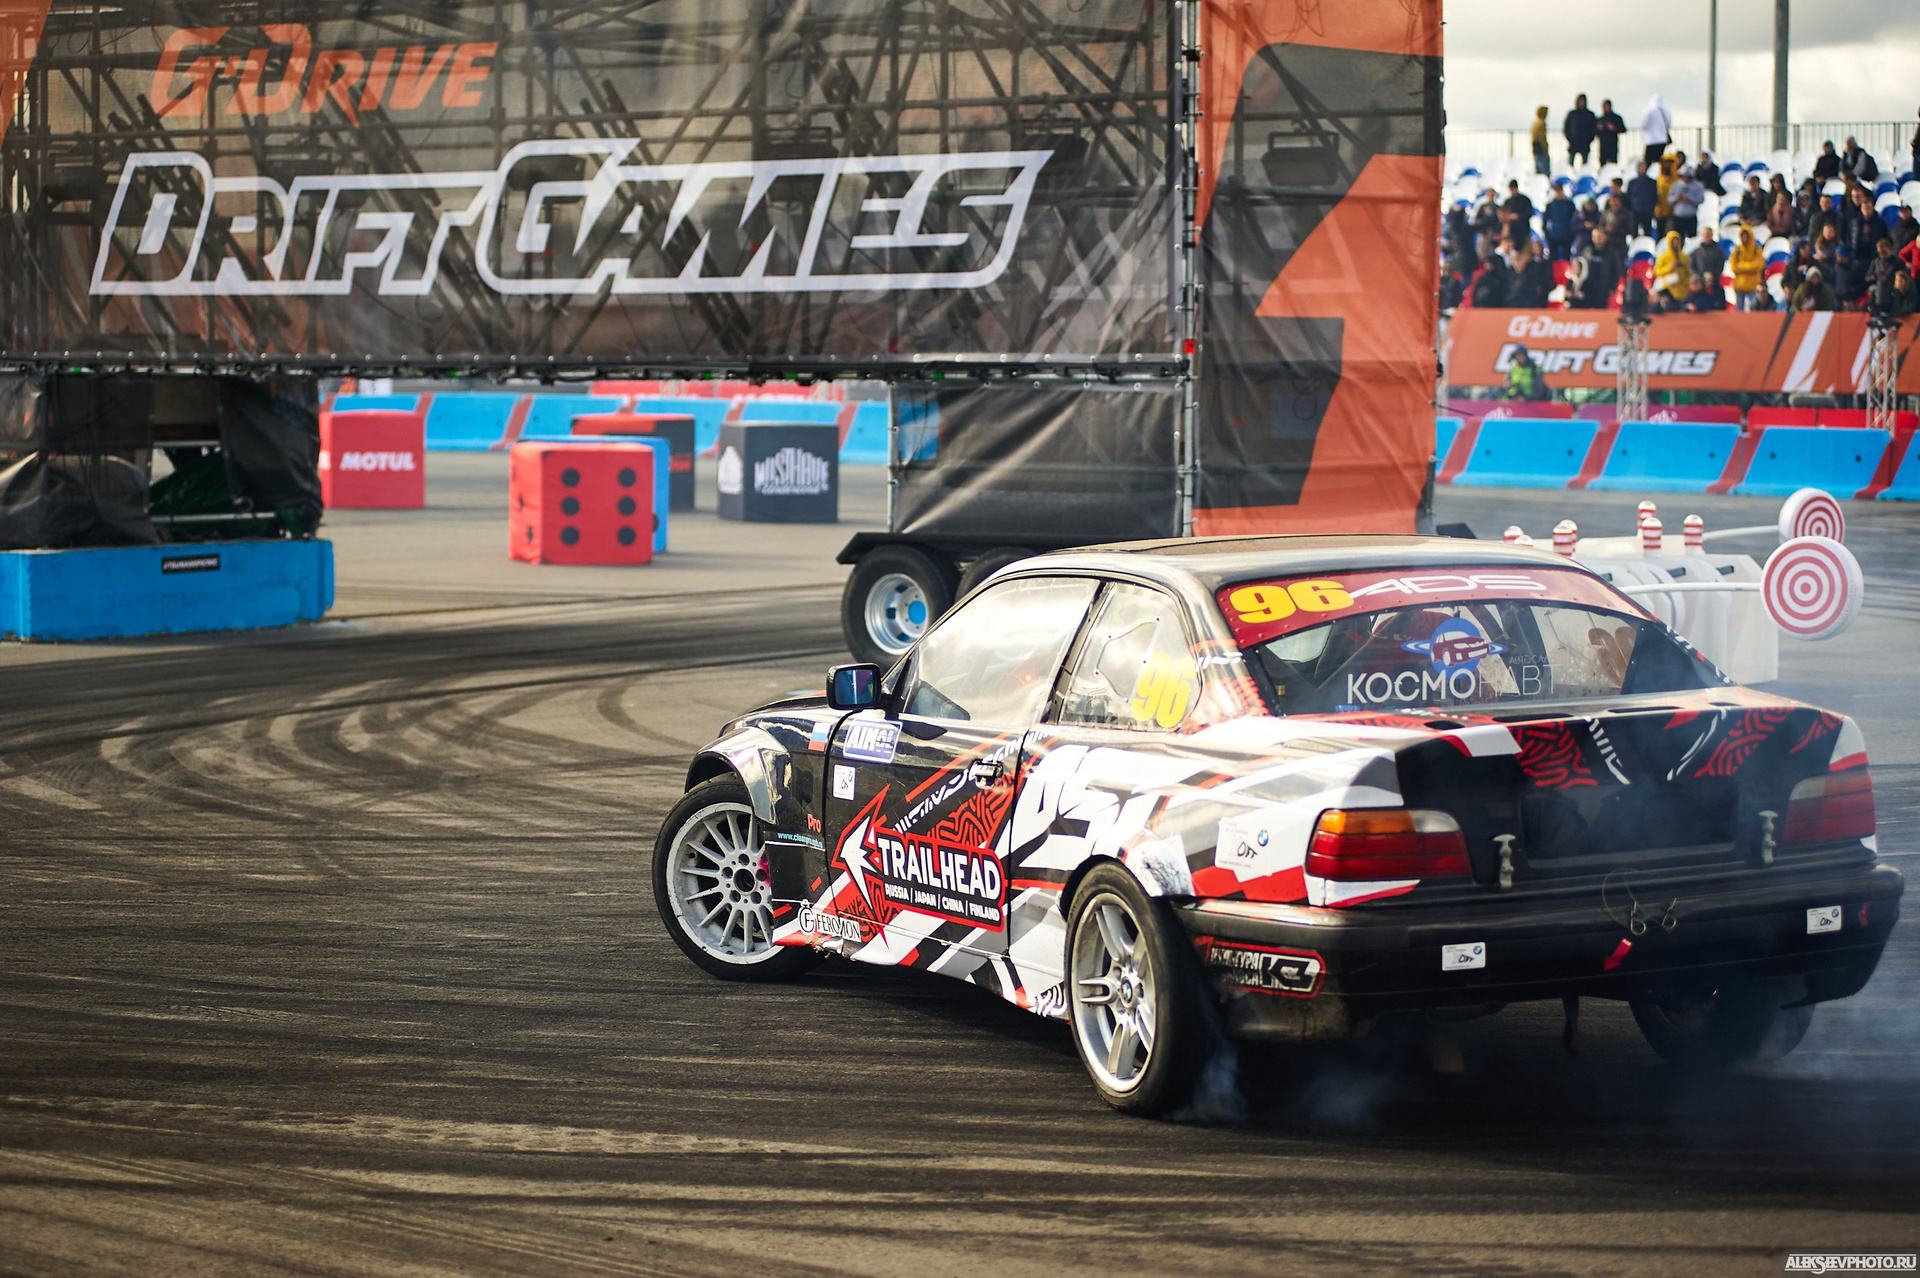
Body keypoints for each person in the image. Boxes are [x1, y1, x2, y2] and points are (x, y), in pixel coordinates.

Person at [1568, 226, 1622, 309]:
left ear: (1605, 237)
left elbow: (1616, 272)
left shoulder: (1612, 253)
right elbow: (1581, 269)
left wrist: (1612, 287)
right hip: (1588, 289)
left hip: (1603, 289)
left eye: (1600, 236)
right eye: (1595, 237)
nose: (1597, 239)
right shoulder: (1587, 251)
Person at [1507, 238, 1555, 307]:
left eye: (1539, 247)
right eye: (1535, 247)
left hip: (1544, 291)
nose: (1537, 249)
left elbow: (1549, 276)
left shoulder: (1547, 263)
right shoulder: (1529, 264)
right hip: (1529, 293)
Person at [1652, 229, 1691, 311]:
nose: (1675, 244)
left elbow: (1688, 273)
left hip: (1682, 288)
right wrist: (1669, 267)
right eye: (1673, 242)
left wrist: (1685, 283)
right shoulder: (1664, 257)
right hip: (1668, 287)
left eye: (1677, 241)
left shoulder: (1684, 257)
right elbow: (1657, 271)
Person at [1730, 225, 1767, 311]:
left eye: (1746, 236)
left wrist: (1741, 265)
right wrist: (1751, 265)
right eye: (1743, 236)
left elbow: (1759, 265)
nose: (1745, 238)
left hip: (1753, 286)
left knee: (1753, 310)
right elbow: (1733, 267)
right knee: (1739, 311)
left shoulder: (1757, 250)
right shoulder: (1737, 250)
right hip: (1740, 286)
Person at [1686, 232, 1726, 310]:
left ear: (1712, 235)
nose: (1707, 237)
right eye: (1705, 235)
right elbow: (1691, 266)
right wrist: (1699, 277)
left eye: (1708, 234)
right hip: (1700, 284)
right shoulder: (1696, 252)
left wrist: (1712, 275)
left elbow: (1720, 265)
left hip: (1715, 284)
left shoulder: (1719, 252)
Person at [1541, 180, 1577, 260]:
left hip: (1567, 235)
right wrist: (1547, 234)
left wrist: (1572, 233)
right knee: (1553, 258)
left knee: (1566, 257)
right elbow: (1545, 220)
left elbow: (1574, 219)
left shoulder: (1569, 204)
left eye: (1559, 190)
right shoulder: (1550, 205)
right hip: (1554, 236)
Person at [1669, 165, 1704, 240]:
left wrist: (1689, 198)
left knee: (1692, 239)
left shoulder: (1698, 186)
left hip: (1690, 217)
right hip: (1678, 217)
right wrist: (1676, 198)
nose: (1685, 178)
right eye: (1683, 176)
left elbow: (1701, 199)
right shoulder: (1675, 185)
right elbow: (1669, 200)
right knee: (1678, 238)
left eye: (1687, 176)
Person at [1470, 243, 1511, 307]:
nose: (1487, 266)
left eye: (1489, 264)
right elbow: (1476, 295)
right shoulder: (1481, 279)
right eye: (1485, 264)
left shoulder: (1500, 280)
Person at [1626, 160, 1658, 237]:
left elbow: (1654, 197)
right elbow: (1629, 196)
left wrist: (1651, 209)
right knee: (1634, 233)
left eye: (1644, 167)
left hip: (1647, 212)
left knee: (1647, 233)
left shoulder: (1652, 182)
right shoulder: (1632, 182)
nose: (1642, 169)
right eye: (1641, 167)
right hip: (1635, 212)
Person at [1564, 94, 1596, 166]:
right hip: (1573, 143)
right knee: (1570, 165)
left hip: (1585, 143)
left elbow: (1593, 128)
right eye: (1580, 101)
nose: (1581, 103)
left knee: (1585, 165)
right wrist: (1570, 138)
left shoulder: (1590, 115)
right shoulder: (1572, 114)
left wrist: (1589, 139)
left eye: (1583, 101)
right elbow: (1566, 127)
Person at [1640, 93, 1672, 165]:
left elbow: (1643, 124)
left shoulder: (1649, 110)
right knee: (1658, 162)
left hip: (1651, 140)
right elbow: (1669, 124)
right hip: (1662, 139)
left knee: (1648, 161)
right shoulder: (1666, 111)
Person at [1502, 180, 1535, 246]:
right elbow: (1503, 214)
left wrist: (1518, 216)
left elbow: (1529, 213)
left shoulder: (1525, 200)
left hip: (1523, 230)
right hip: (1511, 231)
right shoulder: (1507, 202)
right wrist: (1509, 216)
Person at [1595, 98, 1626, 167]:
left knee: (1613, 164)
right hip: (1603, 146)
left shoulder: (1616, 118)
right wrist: (1598, 128)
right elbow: (1594, 132)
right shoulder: (1600, 119)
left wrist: (1614, 128)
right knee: (1602, 164)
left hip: (1613, 145)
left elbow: (1623, 130)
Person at [1531, 106, 1551, 176]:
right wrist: (1545, 148)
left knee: (1538, 172)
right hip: (1541, 150)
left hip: (1535, 149)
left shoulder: (1535, 123)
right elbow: (1541, 138)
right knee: (1545, 172)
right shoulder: (1541, 123)